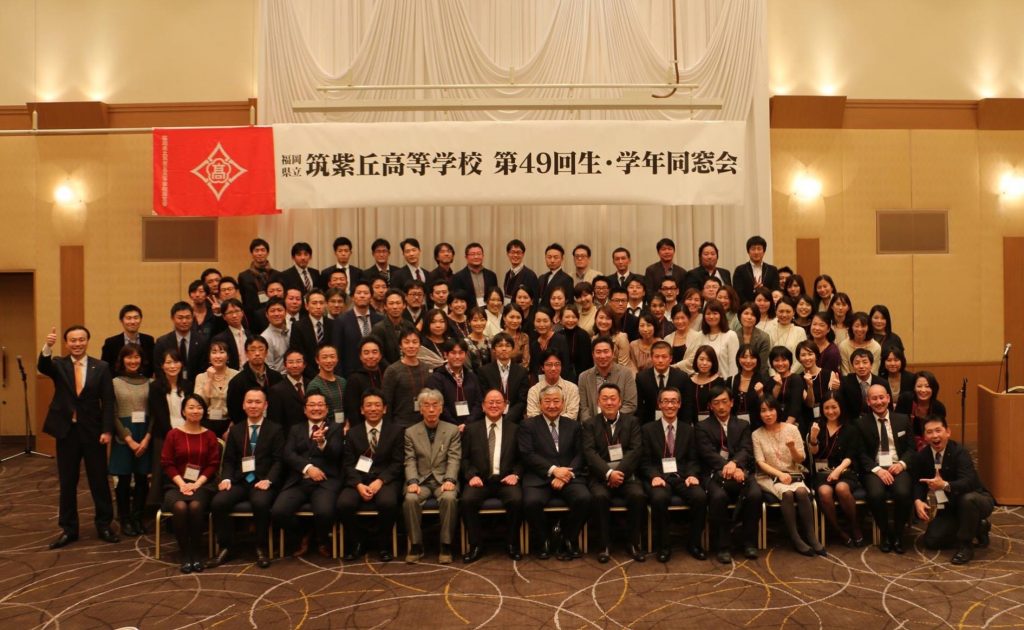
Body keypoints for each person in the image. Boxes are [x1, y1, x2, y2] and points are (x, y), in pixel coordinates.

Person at [39, 325, 120, 549]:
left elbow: (108, 401)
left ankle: (104, 525)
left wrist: (107, 430)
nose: (77, 344)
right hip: (67, 432)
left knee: (99, 481)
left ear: (87, 341)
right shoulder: (59, 364)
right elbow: (43, 366)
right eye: (73, 340)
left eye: (81, 340)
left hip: (93, 432)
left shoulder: (101, 367)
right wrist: (47, 346)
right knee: (67, 482)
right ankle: (69, 529)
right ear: (67, 343)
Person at [207, 388, 284, 569]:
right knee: (218, 502)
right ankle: (226, 547)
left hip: (262, 481)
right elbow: (229, 460)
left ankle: (261, 547)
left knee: (261, 503)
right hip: (239, 480)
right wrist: (226, 479)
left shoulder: (275, 429)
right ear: (243, 405)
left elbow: (279, 461)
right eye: (249, 402)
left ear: (265, 405)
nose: (253, 405)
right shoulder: (236, 430)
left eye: (258, 402)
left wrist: (269, 480)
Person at [518, 385, 592, 560]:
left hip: (569, 476)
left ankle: (568, 538)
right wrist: (554, 471)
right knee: (531, 502)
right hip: (539, 477)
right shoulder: (528, 425)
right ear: (540, 404)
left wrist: (565, 474)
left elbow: (581, 454)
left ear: (563, 403)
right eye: (547, 401)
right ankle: (544, 540)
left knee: (584, 498)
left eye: (556, 401)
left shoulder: (574, 426)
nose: (552, 405)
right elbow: (527, 454)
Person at [911, 415, 995, 565]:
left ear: (948, 432)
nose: (934, 436)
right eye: (929, 432)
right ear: (924, 436)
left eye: (938, 430)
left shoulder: (960, 452)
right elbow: (919, 482)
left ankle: (966, 546)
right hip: (950, 505)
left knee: (967, 500)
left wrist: (944, 485)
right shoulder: (922, 456)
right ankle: (978, 526)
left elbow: (968, 482)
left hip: (977, 499)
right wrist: (918, 501)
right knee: (932, 541)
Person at [272, 392, 345, 558]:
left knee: (325, 512)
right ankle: (303, 535)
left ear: (327, 409)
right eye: (312, 405)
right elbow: (288, 454)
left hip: (325, 481)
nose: (316, 408)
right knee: (278, 511)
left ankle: (322, 539)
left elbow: (336, 454)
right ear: (305, 410)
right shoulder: (295, 429)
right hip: (299, 479)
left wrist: (322, 443)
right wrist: (308, 468)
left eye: (320, 405)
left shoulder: (335, 428)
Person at [695, 384, 762, 563]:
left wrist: (735, 464)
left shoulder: (743, 425)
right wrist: (728, 467)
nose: (721, 406)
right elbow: (707, 453)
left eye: (725, 401)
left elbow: (746, 449)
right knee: (718, 497)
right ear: (710, 406)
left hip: (741, 471)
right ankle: (722, 546)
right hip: (714, 474)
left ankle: (749, 543)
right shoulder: (702, 426)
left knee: (755, 494)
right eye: (716, 403)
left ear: (732, 402)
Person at [641, 387, 708, 562]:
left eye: (673, 401)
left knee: (700, 497)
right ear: (659, 404)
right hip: (659, 478)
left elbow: (693, 459)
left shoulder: (689, 430)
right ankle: (664, 546)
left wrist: (692, 474)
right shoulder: (648, 429)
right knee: (659, 498)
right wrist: (654, 476)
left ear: (679, 404)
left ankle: (694, 544)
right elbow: (645, 461)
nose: (669, 405)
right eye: (665, 401)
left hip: (683, 477)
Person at [752, 396, 825, 556]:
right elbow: (760, 462)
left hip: (793, 473)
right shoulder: (757, 434)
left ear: (777, 410)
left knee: (801, 492)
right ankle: (795, 538)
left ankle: (811, 537)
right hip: (769, 476)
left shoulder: (791, 429)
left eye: (771, 409)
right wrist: (779, 474)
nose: (768, 414)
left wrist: (792, 448)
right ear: (759, 414)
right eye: (763, 411)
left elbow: (801, 459)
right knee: (787, 493)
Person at [338, 388, 404, 563]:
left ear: (385, 409)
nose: (373, 409)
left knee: (388, 503)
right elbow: (348, 464)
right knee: (344, 503)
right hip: (359, 479)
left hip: (385, 479)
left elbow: (398, 462)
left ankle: (383, 545)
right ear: (362, 410)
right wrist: (358, 484)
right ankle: (357, 543)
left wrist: (381, 481)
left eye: (377, 405)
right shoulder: (352, 433)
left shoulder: (396, 431)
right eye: (368, 405)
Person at [582, 383, 646, 562]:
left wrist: (618, 473)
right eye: (605, 399)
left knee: (638, 496)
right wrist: (609, 473)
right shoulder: (589, 424)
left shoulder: (632, 422)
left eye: (613, 398)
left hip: (627, 475)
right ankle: (604, 546)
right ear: (598, 402)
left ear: (620, 402)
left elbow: (635, 451)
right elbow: (589, 453)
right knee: (599, 497)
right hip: (600, 476)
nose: (609, 402)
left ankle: (633, 543)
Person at [460, 389, 524, 562]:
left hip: (505, 480)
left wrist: (516, 475)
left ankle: (511, 543)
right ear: (483, 406)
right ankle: (476, 545)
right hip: (480, 480)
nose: (494, 405)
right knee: (467, 500)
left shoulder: (515, 429)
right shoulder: (471, 429)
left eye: (498, 402)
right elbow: (464, 459)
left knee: (517, 500)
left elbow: (522, 459)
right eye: (490, 402)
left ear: (505, 406)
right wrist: (471, 476)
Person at [161, 393, 221, 572]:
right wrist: (182, 484)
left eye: (199, 407)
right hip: (176, 484)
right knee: (180, 506)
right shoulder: (173, 434)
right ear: (183, 411)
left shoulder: (209, 435)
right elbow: (167, 463)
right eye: (191, 407)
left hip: (203, 484)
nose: (195, 411)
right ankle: (185, 553)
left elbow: (213, 464)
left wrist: (196, 484)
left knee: (195, 506)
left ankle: (196, 552)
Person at [403, 388, 462, 564]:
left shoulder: (452, 430)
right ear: (420, 409)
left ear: (441, 408)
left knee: (449, 498)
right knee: (410, 499)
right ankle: (416, 545)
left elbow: (454, 458)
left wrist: (450, 479)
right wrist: (412, 481)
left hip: (443, 480)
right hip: (420, 480)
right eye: (426, 405)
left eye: (435, 405)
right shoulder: (410, 432)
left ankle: (446, 545)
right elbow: (410, 459)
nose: (431, 409)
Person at [855, 384, 914, 553]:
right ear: (868, 401)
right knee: (875, 495)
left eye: (881, 397)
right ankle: (886, 534)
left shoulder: (903, 419)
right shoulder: (861, 423)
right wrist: (877, 470)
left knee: (903, 493)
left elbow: (911, 449)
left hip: (897, 465)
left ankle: (899, 534)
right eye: (874, 398)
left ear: (888, 398)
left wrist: (901, 464)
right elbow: (860, 453)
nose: (879, 402)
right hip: (874, 469)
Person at [809, 395, 865, 547]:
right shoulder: (816, 426)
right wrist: (813, 438)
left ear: (841, 407)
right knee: (824, 492)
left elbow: (851, 456)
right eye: (826, 408)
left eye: (834, 407)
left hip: (845, 469)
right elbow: (814, 454)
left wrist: (838, 471)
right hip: (822, 472)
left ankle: (854, 526)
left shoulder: (851, 428)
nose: (830, 411)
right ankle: (839, 531)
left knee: (841, 488)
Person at [110, 344, 152, 538]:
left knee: (142, 478)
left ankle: (137, 517)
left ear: (141, 360)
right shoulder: (114, 383)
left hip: (144, 434)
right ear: (122, 360)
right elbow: (112, 414)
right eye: (129, 357)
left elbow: (154, 414)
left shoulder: (150, 382)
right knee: (124, 479)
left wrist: (146, 438)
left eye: (136, 357)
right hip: (124, 435)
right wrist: (128, 439)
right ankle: (125, 518)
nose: (133, 361)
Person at [578, 336, 639, 422]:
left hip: (620, 424)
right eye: (598, 352)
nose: (602, 356)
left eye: (606, 351)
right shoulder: (584, 377)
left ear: (613, 353)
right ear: (593, 355)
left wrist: (612, 420)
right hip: (593, 425)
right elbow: (584, 409)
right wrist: (594, 425)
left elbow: (630, 405)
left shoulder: (626, 374)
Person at [382, 326, 432, 429]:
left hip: (425, 423)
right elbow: (387, 402)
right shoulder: (392, 370)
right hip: (400, 425)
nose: (411, 346)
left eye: (415, 342)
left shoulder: (427, 368)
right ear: (400, 345)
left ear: (420, 345)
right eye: (406, 342)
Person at [426, 339, 484, 428]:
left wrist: (467, 424)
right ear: (445, 355)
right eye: (453, 353)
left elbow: (479, 402)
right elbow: (438, 405)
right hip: (446, 428)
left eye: (461, 353)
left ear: (465, 354)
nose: (457, 356)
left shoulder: (472, 377)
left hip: (471, 427)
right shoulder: (436, 378)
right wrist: (455, 425)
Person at [225, 337, 282, 425]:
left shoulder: (277, 377)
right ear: (246, 353)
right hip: (247, 427)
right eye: (253, 350)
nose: (257, 353)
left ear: (266, 352)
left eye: (261, 349)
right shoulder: (237, 382)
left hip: (273, 427)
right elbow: (234, 412)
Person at [332, 280, 383, 376]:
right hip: (351, 373)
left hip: (377, 372)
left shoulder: (380, 319)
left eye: (366, 293)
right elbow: (337, 351)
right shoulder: (341, 321)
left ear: (371, 297)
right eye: (359, 293)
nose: (362, 296)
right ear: (352, 297)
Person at [477, 332, 530, 424]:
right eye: (500, 345)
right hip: (491, 418)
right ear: (494, 349)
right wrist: (496, 416)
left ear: (513, 349)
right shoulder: (484, 371)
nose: (504, 349)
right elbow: (484, 397)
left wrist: (507, 419)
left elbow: (522, 400)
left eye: (508, 345)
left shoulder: (522, 371)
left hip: (515, 421)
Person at [635, 341, 690, 425]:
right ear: (651, 357)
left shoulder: (682, 377)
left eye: (664, 357)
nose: (660, 360)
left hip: (676, 423)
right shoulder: (642, 377)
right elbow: (640, 406)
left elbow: (687, 405)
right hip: (649, 424)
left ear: (670, 358)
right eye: (657, 356)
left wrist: (684, 427)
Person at [680, 300, 739, 378]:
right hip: (702, 381)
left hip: (723, 382)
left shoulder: (730, 335)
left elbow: (734, 366)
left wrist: (731, 383)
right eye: (708, 314)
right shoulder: (700, 335)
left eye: (715, 313)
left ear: (721, 315)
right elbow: (692, 360)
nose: (711, 317)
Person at [153, 301, 208, 381]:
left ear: (192, 318)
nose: (184, 321)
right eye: (180, 318)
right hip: (169, 385)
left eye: (188, 317)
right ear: (172, 318)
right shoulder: (162, 342)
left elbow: (204, 368)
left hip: (196, 385)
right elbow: (158, 369)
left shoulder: (202, 341)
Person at [195, 340, 238, 439]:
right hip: (206, 423)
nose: (218, 356)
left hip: (230, 423)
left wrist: (231, 428)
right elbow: (200, 404)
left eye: (222, 352)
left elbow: (239, 405)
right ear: (209, 357)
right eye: (214, 352)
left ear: (228, 356)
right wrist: (209, 379)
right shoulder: (201, 377)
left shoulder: (236, 375)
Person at [341, 337, 387, 426]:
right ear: (360, 357)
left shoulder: (387, 374)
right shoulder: (354, 378)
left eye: (374, 352)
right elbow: (352, 410)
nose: (371, 356)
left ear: (380, 355)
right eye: (366, 353)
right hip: (362, 426)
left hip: (386, 425)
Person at [101, 304, 156, 377]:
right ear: (121, 320)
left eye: (136, 318)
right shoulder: (111, 343)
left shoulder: (148, 340)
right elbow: (105, 369)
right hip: (118, 382)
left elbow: (152, 366)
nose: (133, 322)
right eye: (128, 318)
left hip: (144, 381)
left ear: (141, 319)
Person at [897, 371, 946, 450]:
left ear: (933, 388)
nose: (923, 390)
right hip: (905, 445)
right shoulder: (905, 400)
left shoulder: (938, 407)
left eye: (927, 386)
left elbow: (939, 432)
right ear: (914, 388)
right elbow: (897, 425)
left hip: (930, 446)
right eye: (919, 386)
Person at [526, 350, 581, 421]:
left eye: (557, 364)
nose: (553, 368)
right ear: (542, 367)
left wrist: (552, 423)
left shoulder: (572, 388)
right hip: (539, 428)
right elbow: (532, 416)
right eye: (549, 365)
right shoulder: (534, 391)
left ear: (561, 366)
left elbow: (572, 415)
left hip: (566, 428)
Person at [838, 348, 891, 420]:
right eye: (857, 363)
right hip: (852, 422)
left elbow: (889, 408)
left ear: (871, 364)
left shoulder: (882, 383)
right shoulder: (845, 382)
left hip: (876, 420)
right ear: (852, 366)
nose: (861, 366)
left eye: (865, 362)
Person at [266, 349, 310, 434]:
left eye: (298, 361)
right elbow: (275, 421)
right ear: (285, 365)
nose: (295, 365)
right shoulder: (276, 390)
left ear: (304, 365)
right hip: (288, 436)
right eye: (291, 362)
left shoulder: (311, 384)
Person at [289, 289, 330, 377]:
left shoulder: (333, 324)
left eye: (321, 303)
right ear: (307, 306)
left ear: (326, 305)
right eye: (314, 303)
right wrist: (316, 376)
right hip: (308, 375)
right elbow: (298, 354)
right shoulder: (298, 326)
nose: (318, 306)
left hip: (331, 372)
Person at [729, 344, 768, 428]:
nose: (748, 361)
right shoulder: (731, 380)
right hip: (735, 427)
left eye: (752, 357)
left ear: (757, 360)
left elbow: (768, 407)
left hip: (758, 427)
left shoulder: (764, 381)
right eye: (744, 357)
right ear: (738, 359)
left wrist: (761, 393)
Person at [685, 345, 726, 424]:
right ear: (696, 360)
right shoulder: (689, 381)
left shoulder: (719, 381)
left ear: (713, 362)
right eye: (701, 359)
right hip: (693, 425)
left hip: (715, 425)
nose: (704, 363)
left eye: (709, 360)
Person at [733, 235, 780, 304]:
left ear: (764, 251)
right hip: (747, 307)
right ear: (748, 251)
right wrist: (754, 291)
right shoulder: (740, 270)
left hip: (767, 306)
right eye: (753, 249)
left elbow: (775, 290)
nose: (756, 252)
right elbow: (738, 292)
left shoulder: (772, 270)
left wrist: (763, 290)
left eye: (759, 249)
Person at [306, 345, 347, 423]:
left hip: (344, 425)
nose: (329, 360)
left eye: (332, 356)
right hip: (326, 426)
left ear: (337, 359)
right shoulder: (314, 385)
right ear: (317, 360)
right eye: (324, 357)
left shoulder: (343, 381)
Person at [210, 298, 252, 371]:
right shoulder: (220, 339)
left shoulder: (249, 334)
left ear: (242, 313)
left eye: (237, 311)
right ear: (224, 317)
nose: (234, 315)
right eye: (230, 312)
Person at [451, 242, 498, 306]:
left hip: (488, 310)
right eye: (472, 254)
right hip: (468, 311)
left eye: (479, 254)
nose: (476, 257)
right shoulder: (458, 277)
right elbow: (457, 298)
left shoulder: (491, 275)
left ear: (483, 256)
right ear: (466, 257)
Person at [769, 346, 805, 428]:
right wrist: (778, 385)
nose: (780, 363)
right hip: (774, 424)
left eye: (784, 360)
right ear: (771, 363)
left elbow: (795, 406)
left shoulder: (796, 378)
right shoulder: (770, 380)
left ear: (790, 361)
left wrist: (786, 427)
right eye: (776, 360)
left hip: (793, 424)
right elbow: (770, 403)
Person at [529, 307, 570, 377]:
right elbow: (534, 369)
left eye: (545, 321)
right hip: (541, 382)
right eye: (538, 321)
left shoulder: (560, 340)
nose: (541, 325)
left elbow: (565, 366)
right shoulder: (534, 344)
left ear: (551, 322)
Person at [538, 243, 575, 310]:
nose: (552, 260)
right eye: (549, 257)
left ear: (562, 259)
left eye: (556, 257)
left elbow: (569, 304)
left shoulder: (567, 279)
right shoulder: (541, 278)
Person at [501, 238, 539, 303]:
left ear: (523, 254)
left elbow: (535, 300)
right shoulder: (508, 274)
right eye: (512, 252)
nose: (515, 255)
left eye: (518, 252)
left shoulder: (530, 275)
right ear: (507, 254)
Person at [500, 304, 530, 369]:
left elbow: (526, 362)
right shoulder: (498, 338)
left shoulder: (524, 337)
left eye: (518, 317)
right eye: (512, 317)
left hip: (521, 373)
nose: (515, 321)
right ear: (504, 318)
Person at [464, 307, 492, 372]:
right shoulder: (465, 343)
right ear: (469, 322)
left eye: (482, 320)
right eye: (475, 320)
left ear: (486, 321)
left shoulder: (490, 341)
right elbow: (467, 369)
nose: (479, 323)